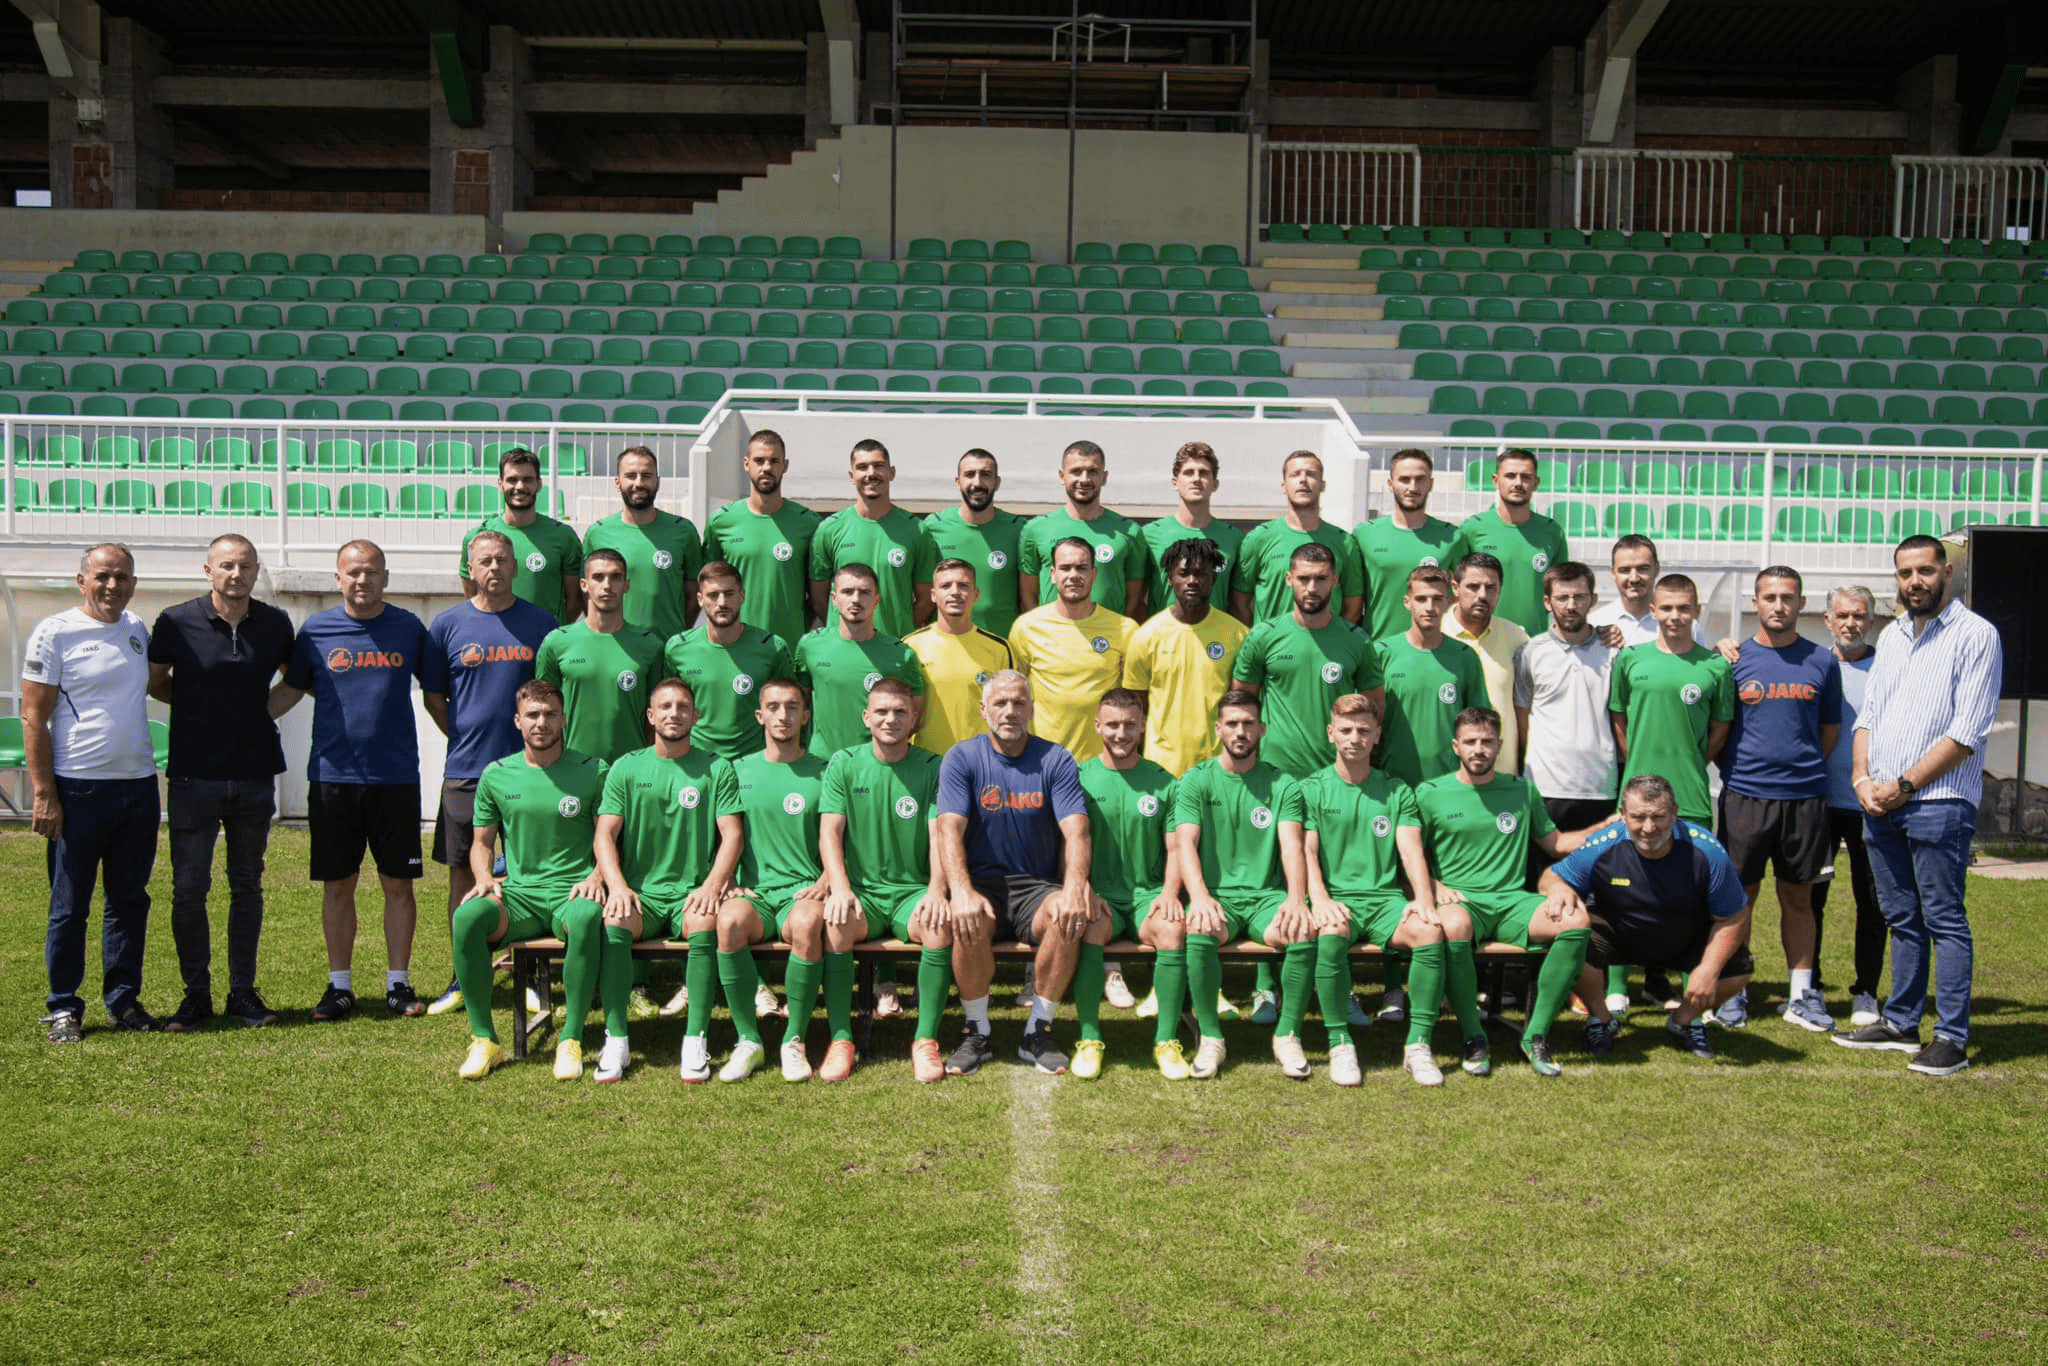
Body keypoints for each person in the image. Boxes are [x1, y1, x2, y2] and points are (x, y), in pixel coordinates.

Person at [1836, 535, 2002, 1077]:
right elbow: (1868, 719)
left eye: (1925, 571)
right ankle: (1902, 1020)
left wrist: (1903, 786)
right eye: (1904, 573)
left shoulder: (1977, 636)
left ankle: (1950, 1036)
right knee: (1901, 917)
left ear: (1946, 572)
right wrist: (1862, 778)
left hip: (1938, 803)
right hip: (1879, 803)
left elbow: (1967, 732)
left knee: (1944, 920)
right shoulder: (1894, 635)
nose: (1914, 582)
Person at [272, 540, 430, 1021]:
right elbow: (291, 691)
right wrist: (239, 723)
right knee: (338, 886)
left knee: (398, 885)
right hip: (332, 779)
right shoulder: (316, 631)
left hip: (396, 779)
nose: (362, 580)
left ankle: (398, 983)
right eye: (352, 573)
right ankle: (339, 986)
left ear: (386, 576)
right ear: (338, 578)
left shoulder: (408, 629)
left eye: (371, 572)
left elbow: (441, 688)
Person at [146, 533, 295, 1032]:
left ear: (256, 572)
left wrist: (257, 713)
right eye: (226, 566)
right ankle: (195, 995)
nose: (236, 575)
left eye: (245, 566)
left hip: (253, 777)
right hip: (193, 775)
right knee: (189, 888)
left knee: (247, 885)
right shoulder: (175, 621)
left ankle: (242, 992)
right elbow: (154, 680)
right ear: (207, 570)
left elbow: (294, 680)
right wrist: (198, 708)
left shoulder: (274, 623)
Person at [935, 671, 1109, 1078]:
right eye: (1000, 703)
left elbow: (1077, 830)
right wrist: (959, 891)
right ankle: (976, 1030)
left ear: (1031, 709)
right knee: (968, 915)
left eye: (1018, 703)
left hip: (1036, 887)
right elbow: (949, 828)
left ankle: (1038, 1030)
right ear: (983, 710)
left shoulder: (1055, 758)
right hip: (982, 884)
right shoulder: (961, 758)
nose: (1009, 711)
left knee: (1068, 914)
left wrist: (1074, 888)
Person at [1415, 708, 1599, 1077]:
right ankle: (1473, 1035)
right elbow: (1409, 856)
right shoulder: (1430, 793)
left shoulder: (1521, 790)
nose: (1478, 749)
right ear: (1456, 746)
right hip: (1462, 901)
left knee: (1576, 920)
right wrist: (1434, 887)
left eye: (1486, 741)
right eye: (1470, 742)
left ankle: (1535, 1035)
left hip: (1513, 900)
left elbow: (1556, 843)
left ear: (1499, 745)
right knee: (1452, 927)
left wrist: (1608, 827)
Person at [26, 544, 161, 1041]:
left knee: (129, 900)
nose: (113, 586)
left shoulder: (137, 630)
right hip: (77, 789)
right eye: (103, 576)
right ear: (81, 581)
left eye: (122, 577)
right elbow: (33, 716)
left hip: (139, 789)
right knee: (70, 905)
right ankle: (63, 1007)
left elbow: (158, 687)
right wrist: (44, 793)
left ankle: (124, 1002)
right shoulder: (54, 633)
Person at [446, 681, 612, 1082]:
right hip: (518, 896)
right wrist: (484, 877)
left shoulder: (593, 771)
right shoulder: (497, 774)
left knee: (588, 918)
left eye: (550, 714)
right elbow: (482, 842)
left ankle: (570, 1040)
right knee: (467, 917)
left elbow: (609, 836)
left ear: (564, 719)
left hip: (571, 893)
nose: (542, 723)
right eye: (533, 715)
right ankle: (485, 1039)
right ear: (518, 721)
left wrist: (597, 875)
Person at [421, 530, 557, 1018]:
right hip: (467, 771)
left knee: (530, 874)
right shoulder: (447, 625)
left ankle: (533, 977)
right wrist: (463, 735)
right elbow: (435, 696)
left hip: (531, 774)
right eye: (484, 561)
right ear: (470, 569)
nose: (494, 568)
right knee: (464, 875)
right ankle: (465, 974)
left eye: (502, 560)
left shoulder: (542, 624)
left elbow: (549, 697)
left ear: (516, 567)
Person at [1540, 775, 1753, 1063]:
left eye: (1659, 817)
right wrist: (1558, 890)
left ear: (1675, 812)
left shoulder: (1706, 850)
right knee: (1567, 939)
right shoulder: (1605, 843)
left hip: (1684, 937)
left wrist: (1708, 970)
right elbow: (1551, 877)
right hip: (1619, 934)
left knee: (1738, 967)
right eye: (1639, 817)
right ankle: (1601, 1020)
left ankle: (1685, 1020)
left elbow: (1735, 915)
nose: (1649, 828)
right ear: (1623, 815)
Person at [594, 678, 745, 1082]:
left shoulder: (716, 768)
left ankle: (695, 1039)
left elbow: (732, 834)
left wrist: (712, 886)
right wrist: (619, 887)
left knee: (703, 924)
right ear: (650, 716)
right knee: (615, 922)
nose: (673, 714)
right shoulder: (626, 767)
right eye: (665, 707)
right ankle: (617, 1040)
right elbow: (605, 834)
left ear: (696, 716)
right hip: (641, 895)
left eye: (682, 707)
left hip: (690, 894)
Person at [1288, 693, 1442, 1086]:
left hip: (1386, 900)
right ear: (1330, 734)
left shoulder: (1397, 790)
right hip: (1338, 900)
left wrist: (1423, 900)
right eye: (1346, 730)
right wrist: (1319, 899)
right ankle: (1340, 1043)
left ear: (1376, 736)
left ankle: (1418, 1046)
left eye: (1363, 731)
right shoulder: (1312, 788)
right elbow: (1306, 849)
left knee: (1430, 932)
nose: (1354, 738)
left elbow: (1410, 849)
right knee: (1330, 934)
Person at [1714, 566, 1843, 1033]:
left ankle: (1801, 996)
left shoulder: (1821, 662)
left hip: (1805, 800)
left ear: (1801, 604)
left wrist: (1799, 769)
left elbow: (1829, 731)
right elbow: (1721, 728)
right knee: (1738, 900)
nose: (1778, 605)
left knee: (1799, 899)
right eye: (1769, 597)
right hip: (1746, 797)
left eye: (1787, 597)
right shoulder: (1734, 660)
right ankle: (1733, 991)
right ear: (1756, 602)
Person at [818, 679, 953, 1082]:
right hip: (864, 895)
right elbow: (830, 832)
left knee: (938, 924)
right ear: (866, 717)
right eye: (881, 712)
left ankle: (925, 1040)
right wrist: (840, 887)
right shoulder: (844, 763)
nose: (890, 719)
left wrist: (936, 890)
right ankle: (842, 1039)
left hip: (912, 893)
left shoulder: (933, 767)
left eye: (899, 712)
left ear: (914, 718)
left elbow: (939, 834)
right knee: (837, 923)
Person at [1174, 690, 1310, 1079]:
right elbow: (1185, 843)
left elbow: (1292, 845)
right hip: (1218, 900)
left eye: (1248, 723)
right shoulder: (1196, 781)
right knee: (1199, 928)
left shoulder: (1283, 785)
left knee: (1301, 930)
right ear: (1218, 730)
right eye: (1232, 724)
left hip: (1267, 899)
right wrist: (1199, 897)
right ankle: (1211, 1038)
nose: (1240, 731)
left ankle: (1288, 1036)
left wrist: (1297, 899)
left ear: (1262, 729)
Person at [1512, 560, 1622, 1012]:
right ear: (1547, 602)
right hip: (1546, 788)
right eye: (1562, 597)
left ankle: (1597, 984)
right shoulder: (1531, 652)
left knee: (1602, 893)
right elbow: (1522, 721)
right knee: (1544, 890)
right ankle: (1538, 986)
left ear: (1593, 600)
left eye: (1580, 596)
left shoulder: (1615, 651)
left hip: (1600, 789)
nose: (1571, 604)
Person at [722, 679, 834, 1081]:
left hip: (803, 891)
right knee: (729, 921)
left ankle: (793, 1040)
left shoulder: (825, 771)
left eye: (791, 707)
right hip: (756, 895)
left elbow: (843, 837)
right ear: (759, 715)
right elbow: (723, 835)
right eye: (773, 707)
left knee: (807, 923)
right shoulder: (736, 771)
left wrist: (826, 878)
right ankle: (748, 1040)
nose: (782, 715)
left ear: (806, 715)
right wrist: (727, 881)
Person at [1078, 691, 1192, 1079]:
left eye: (1129, 725)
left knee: (1173, 930)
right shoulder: (1080, 778)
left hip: (1148, 896)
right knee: (1087, 928)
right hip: (1101, 897)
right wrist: (1083, 890)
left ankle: (1166, 1042)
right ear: (1097, 726)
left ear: (1143, 726)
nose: (1121, 733)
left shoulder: (1163, 782)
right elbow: (1069, 842)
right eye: (1112, 724)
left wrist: (1169, 893)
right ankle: (1090, 1038)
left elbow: (1176, 845)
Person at [1232, 542, 1383, 779]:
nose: (1311, 588)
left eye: (1321, 579)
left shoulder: (1357, 641)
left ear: (1334, 581)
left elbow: (1374, 708)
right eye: (1304, 579)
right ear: (1288, 579)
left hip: (1335, 775)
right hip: (1274, 774)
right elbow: (1241, 703)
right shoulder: (1263, 636)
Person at [1810, 585, 1887, 1028]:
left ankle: (1866, 992)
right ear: (1827, 620)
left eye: (1859, 616)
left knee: (1872, 902)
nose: (1850, 623)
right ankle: (1812, 987)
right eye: (1842, 615)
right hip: (1819, 804)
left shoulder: (1887, 668)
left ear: (1871, 621)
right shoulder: (1814, 665)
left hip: (1870, 804)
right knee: (1811, 899)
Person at [1608, 573, 1733, 830]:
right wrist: (1638, 760)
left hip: (1690, 798)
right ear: (1653, 611)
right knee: (1632, 870)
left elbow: (1721, 729)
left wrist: (1693, 760)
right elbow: (1618, 718)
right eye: (1666, 608)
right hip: (1636, 798)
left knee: (1690, 871)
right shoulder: (1629, 658)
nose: (1674, 616)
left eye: (1684, 608)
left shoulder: (1717, 667)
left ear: (1697, 610)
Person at [1124, 537, 1248, 777]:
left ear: (1212, 580)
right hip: (1160, 767)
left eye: (1201, 574)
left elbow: (1242, 706)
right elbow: (1137, 709)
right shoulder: (1146, 636)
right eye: (1184, 573)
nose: (1192, 580)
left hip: (1218, 766)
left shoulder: (1238, 635)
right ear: (1170, 579)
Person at [1006, 538, 1135, 763]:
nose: (1073, 575)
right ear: (1053, 574)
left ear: (1094, 574)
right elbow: (1014, 694)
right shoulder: (1026, 627)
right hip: (1042, 761)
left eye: (1081, 568)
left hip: (1103, 763)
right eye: (1065, 568)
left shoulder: (1125, 629)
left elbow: (1135, 699)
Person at [534, 549, 666, 763]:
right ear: (584, 585)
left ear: (626, 585)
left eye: (615, 577)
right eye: (598, 577)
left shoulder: (650, 646)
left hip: (629, 771)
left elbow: (656, 719)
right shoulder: (557, 643)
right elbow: (542, 711)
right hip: (573, 769)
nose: (607, 585)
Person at [660, 561, 794, 763]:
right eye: (713, 595)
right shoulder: (678, 648)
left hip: (752, 763)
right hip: (697, 762)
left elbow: (790, 710)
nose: (722, 603)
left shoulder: (772, 648)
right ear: (700, 599)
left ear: (742, 596)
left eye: (729, 594)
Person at [702, 429, 821, 653]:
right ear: (746, 464)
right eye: (759, 460)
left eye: (774, 461)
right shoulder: (721, 522)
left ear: (785, 465)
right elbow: (709, 586)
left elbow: (817, 593)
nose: (767, 467)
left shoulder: (809, 524)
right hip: (735, 649)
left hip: (788, 649)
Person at [794, 563, 929, 760]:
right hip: (823, 764)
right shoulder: (810, 646)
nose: (856, 600)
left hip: (876, 766)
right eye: (848, 592)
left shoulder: (901, 655)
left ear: (876, 600)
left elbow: (912, 720)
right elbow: (800, 707)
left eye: (864, 592)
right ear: (834, 599)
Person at [1374, 565, 1489, 789]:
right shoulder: (1381, 653)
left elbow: (1478, 723)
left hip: (1449, 784)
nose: (1430, 608)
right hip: (1392, 784)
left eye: (1437, 599)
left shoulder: (1464, 657)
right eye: (1421, 599)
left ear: (1448, 602)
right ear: (1407, 602)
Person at [582, 445, 704, 644]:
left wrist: (674, 635)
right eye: (631, 476)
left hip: (666, 649)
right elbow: (587, 596)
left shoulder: (683, 531)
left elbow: (694, 595)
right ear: (617, 482)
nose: (639, 483)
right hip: (615, 647)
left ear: (657, 481)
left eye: (646, 476)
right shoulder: (598, 533)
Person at [809, 438, 926, 639]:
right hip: (843, 649)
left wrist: (897, 632)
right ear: (851, 476)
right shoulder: (829, 529)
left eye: (879, 466)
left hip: (895, 650)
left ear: (892, 472)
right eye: (862, 467)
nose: (871, 473)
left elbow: (927, 598)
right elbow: (819, 599)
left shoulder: (916, 529)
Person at [1231, 450, 1365, 624]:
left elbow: (1353, 607)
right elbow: (1239, 604)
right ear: (1283, 486)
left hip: (1327, 650)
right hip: (1272, 650)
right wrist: (1263, 640)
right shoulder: (1258, 539)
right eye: (1295, 474)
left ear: (1322, 485)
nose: (1303, 480)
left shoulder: (1345, 542)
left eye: (1311, 474)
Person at [1446, 448, 1570, 637]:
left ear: (1536, 483)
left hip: (1532, 641)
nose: (1518, 483)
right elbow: (1453, 587)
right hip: (1482, 641)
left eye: (1526, 477)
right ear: (1496, 481)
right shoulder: (1472, 529)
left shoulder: (1552, 532)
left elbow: (1563, 593)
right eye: (1510, 476)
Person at [1018, 440, 1146, 618]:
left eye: (1092, 472)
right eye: (1076, 471)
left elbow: (1135, 600)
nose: (1084, 479)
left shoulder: (1130, 531)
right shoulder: (1035, 529)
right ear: (1062, 476)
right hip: (1052, 639)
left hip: (1108, 639)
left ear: (1104, 477)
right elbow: (1028, 596)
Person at [460, 447, 583, 624]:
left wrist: (550, 632)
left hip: (545, 644)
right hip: (496, 646)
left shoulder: (563, 537)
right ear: (500, 484)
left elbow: (575, 602)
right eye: (512, 480)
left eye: (527, 479)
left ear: (538, 484)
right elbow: (471, 596)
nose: (520, 487)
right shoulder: (478, 538)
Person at [906, 557, 1014, 757]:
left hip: (980, 764)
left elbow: (1008, 713)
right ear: (933, 595)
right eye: (946, 586)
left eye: (963, 586)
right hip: (927, 764)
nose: (955, 592)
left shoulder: (999, 649)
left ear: (976, 594)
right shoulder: (910, 647)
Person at [915, 448, 1028, 636]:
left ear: (997, 482)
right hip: (948, 645)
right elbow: (924, 595)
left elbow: (1029, 596)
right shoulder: (933, 526)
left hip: (1002, 645)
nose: (977, 483)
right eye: (969, 475)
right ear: (958, 482)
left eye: (986, 475)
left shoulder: (1019, 529)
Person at [1354, 448, 1459, 643]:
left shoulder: (1453, 536)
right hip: (1378, 650)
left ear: (1431, 484)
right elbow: (1352, 600)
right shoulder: (1365, 534)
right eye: (1404, 479)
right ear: (1390, 484)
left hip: (1434, 652)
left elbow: (1461, 596)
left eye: (1420, 479)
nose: (1412, 487)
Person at [1445, 552, 1529, 775]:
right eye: (1473, 586)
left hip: (1502, 774)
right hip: (1446, 777)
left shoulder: (1517, 638)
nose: (1482, 595)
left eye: (1490, 587)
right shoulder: (1436, 633)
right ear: (1455, 587)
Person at [1139, 442, 1244, 617]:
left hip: (1216, 640)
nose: (1196, 479)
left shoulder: (1234, 538)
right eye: (1189, 473)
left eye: (1203, 473)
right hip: (1164, 639)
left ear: (1215, 484)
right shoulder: (1149, 535)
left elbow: (1239, 603)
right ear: (1175, 482)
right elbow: (1136, 598)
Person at [1588, 534, 1704, 647]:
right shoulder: (1596, 623)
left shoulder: (1686, 626)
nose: (1634, 578)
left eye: (1643, 569)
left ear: (1657, 569)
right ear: (1613, 573)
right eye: (1625, 570)